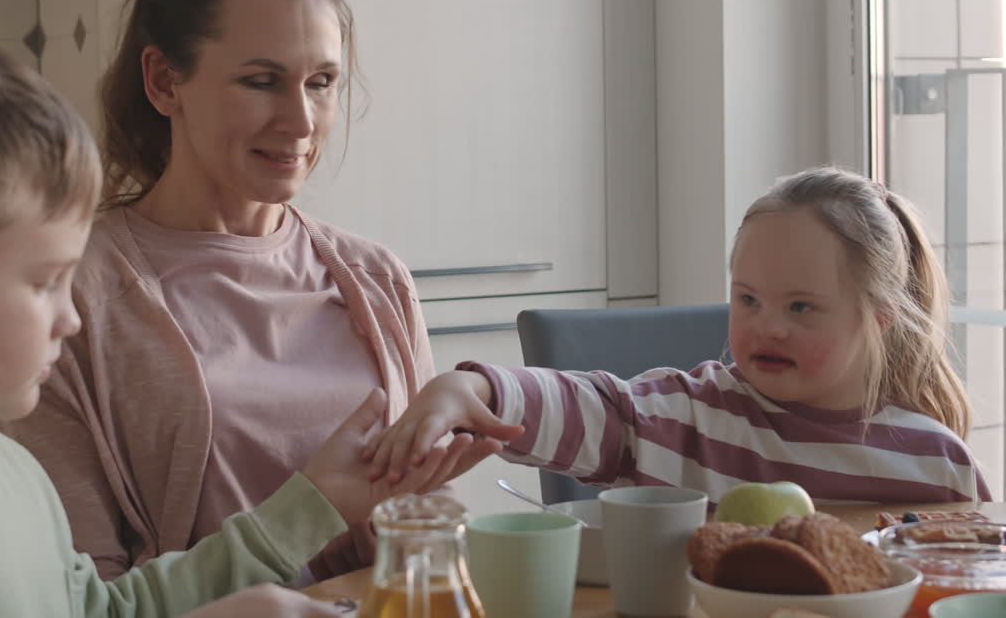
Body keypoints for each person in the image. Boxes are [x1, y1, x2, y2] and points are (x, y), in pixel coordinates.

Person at [0, 26, 483, 618]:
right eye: (46, 283)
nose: (68, 317)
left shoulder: (1, 466)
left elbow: (104, 611)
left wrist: (303, 519)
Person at [2, 0, 454, 581]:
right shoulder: (69, 296)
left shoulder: (378, 279)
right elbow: (80, 591)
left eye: (321, 83)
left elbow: (430, 535)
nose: (301, 121)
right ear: (164, 82)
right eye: (261, 81)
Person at [366, 166, 992, 504]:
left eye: (801, 307)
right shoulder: (682, 421)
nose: (768, 325)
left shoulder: (935, 463)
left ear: (878, 316)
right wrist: (472, 389)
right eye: (748, 299)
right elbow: (590, 407)